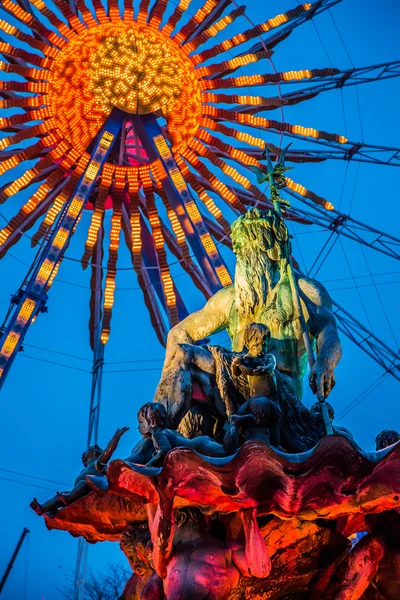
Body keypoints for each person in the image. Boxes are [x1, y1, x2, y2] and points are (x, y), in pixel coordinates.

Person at [154, 208, 342, 452]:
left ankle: (162, 436)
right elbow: (178, 334)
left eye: (248, 250)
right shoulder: (231, 299)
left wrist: (324, 363)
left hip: (281, 387)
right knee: (181, 354)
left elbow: (329, 333)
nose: (241, 258)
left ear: (272, 250)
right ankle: (160, 433)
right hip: (235, 378)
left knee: (194, 358)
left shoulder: (302, 292)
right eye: (239, 252)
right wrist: (174, 373)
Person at [144, 507, 271, 600]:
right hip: (192, 534)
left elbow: (150, 590)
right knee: (261, 571)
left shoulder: (162, 570)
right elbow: (256, 567)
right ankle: (249, 513)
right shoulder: (225, 555)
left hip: (172, 538)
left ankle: (248, 514)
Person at [30, 427, 129, 517]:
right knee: (64, 493)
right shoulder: (85, 469)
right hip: (77, 492)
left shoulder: (97, 462)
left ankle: (65, 500)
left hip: (91, 487)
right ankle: (44, 507)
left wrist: (116, 436)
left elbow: (108, 450)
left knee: (82, 484)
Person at [223, 322, 281, 452]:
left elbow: (271, 366)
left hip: (268, 400)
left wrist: (266, 368)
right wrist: (235, 365)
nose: (260, 348)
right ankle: (237, 425)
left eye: (263, 345)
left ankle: (275, 445)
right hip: (259, 400)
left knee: (275, 423)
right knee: (270, 420)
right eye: (256, 345)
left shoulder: (268, 358)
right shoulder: (246, 359)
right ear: (247, 344)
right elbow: (236, 373)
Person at [132, 403, 226, 467]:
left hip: (200, 447)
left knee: (228, 453)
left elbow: (165, 450)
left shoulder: (157, 434)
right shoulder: (170, 431)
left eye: (141, 423)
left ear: (150, 421)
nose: (139, 427)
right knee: (228, 452)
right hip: (200, 443)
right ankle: (235, 424)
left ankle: (235, 423)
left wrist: (149, 465)